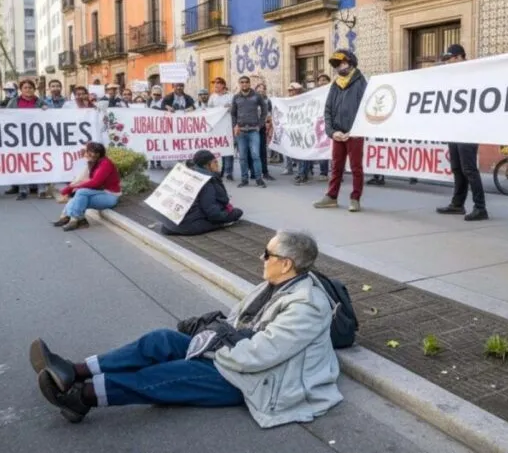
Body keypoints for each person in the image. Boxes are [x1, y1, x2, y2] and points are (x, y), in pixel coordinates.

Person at [27, 230, 341, 426]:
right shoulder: (275, 283)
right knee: (160, 341)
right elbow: (238, 323)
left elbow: (262, 355)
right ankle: (75, 370)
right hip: (239, 353)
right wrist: (208, 333)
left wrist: (209, 351)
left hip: (263, 380)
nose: (262, 258)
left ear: (286, 263)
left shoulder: (307, 305)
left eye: (267, 254)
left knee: (169, 373)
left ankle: (82, 397)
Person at [434, 45, 488, 222]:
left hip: (469, 128)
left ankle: (480, 207)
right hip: (454, 127)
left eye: (449, 59)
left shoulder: (475, 74)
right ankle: (457, 204)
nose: (447, 62)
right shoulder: (452, 77)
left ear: (459, 57)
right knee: (457, 168)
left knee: (469, 169)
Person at [314, 49, 366, 212]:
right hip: (337, 133)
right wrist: (332, 131)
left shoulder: (361, 83)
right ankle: (331, 197)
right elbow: (328, 110)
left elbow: (366, 109)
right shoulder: (335, 85)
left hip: (354, 133)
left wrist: (356, 130)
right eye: (336, 65)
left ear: (350, 62)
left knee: (356, 167)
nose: (339, 67)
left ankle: (355, 198)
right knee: (336, 166)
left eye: (342, 63)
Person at [161, 150, 243, 236]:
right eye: (215, 162)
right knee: (237, 212)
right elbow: (212, 212)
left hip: (168, 225)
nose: (218, 165)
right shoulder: (206, 181)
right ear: (207, 165)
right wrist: (227, 215)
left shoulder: (187, 173)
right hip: (187, 225)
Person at [53, 141, 120, 232]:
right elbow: (82, 178)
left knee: (81, 192)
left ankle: (75, 219)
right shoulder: (93, 163)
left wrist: (71, 188)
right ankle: (68, 217)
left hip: (110, 196)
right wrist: (72, 187)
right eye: (89, 152)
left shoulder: (105, 164)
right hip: (99, 193)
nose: (90, 155)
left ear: (99, 154)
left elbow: (95, 182)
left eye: (94, 153)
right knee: (79, 197)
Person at [6, 79, 48, 200]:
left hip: (37, 137)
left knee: (39, 162)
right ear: (21, 89)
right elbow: (5, 116)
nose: (28, 89)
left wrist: (46, 110)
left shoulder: (40, 102)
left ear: (34, 89)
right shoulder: (14, 102)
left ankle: (42, 189)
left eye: (30, 87)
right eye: (25, 87)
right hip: (19, 137)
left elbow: (50, 117)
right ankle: (23, 190)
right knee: (22, 163)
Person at [231, 76, 268, 188]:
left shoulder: (256, 96)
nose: (244, 84)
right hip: (241, 131)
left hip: (253, 130)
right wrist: (234, 126)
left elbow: (264, 110)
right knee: (242, 156)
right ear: (239, 84)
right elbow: (233, 113)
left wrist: (260, 125)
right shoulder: (236, 97)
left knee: (255, 155)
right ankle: (244, 179)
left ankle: (259, 179)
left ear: (249, 83)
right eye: (242, 82)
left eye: (246, 82)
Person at [207, 78, 234, 180]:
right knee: (217, 150)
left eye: (218, 84)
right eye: (215, 84)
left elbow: (234, 109)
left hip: (227, 127)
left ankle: (229, 172)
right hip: (216, 127)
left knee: (228, 149)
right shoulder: (212, 97)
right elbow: (208, 110)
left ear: (223, 85)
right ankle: (218, 171)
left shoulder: (230, 96)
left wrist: (230, 107)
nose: (216, 86)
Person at [255, 83, 275, 181]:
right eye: (259, 90)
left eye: (263, 90)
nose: (261, 91)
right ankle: (254, 172)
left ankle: (265, 172)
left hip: (262, 128)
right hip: (252, 128)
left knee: (263, 151)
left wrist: (269, 124)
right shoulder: (252, 100)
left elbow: (270, 114)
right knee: (254, 152)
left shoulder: (268, 101)